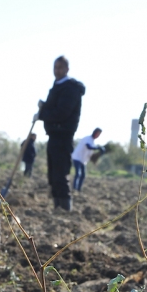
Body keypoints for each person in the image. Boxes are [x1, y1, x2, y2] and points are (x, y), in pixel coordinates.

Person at [36, 56, 85, 211]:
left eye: (60, 68)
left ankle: (65, 209)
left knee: (60, 174)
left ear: (67, 69)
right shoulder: (56, 86)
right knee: (52, 175)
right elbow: (54, 107)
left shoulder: (70, 88)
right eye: (55, 67)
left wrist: (42, 114)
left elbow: (62, 112)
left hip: (63, 136)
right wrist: (43, 107)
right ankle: (57, 207)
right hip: (53, 135)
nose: (57, 70)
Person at [71, 127, 104, 192]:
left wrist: (99, 154)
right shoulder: (87, 139)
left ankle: (79, 189)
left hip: (83, 161)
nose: (97, 135)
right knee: (78, 174)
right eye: (97, 133)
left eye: (99, 134)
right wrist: (98, 148)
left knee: (83, 175)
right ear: (94, 132)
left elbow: (90, 155)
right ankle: (74, 189)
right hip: (77, 157)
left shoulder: (93, 142)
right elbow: (88, 147)